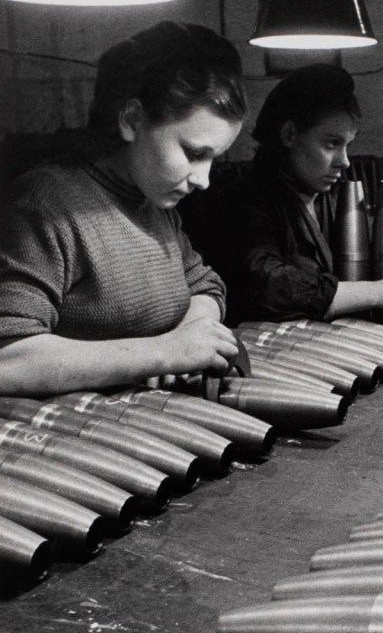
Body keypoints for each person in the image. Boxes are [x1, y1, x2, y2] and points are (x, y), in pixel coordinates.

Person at [0, 20, 246, 397]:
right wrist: (164, 353)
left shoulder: (153, 201)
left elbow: (206, 286)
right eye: (194, 153)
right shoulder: (45, 205)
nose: (204, 180)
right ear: (132, 120)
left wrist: (191, 337)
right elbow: (9, 360)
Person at [207, 64, 383, 327]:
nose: (344, 162)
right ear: (289, 134)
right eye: (331, 143)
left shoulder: (332, 198)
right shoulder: (243, 201)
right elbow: (268, 286)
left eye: (347, 145)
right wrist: (379, 293)